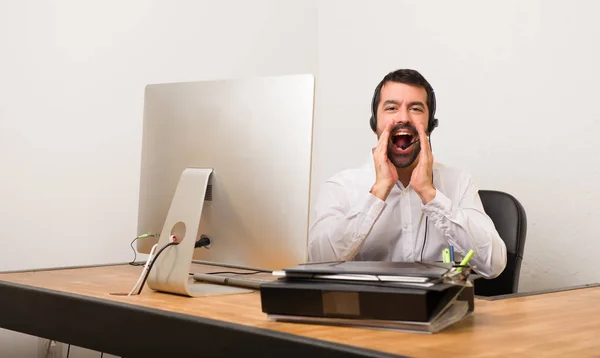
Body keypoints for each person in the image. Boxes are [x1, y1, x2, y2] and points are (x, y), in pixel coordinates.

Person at [308, 69, 507, 278]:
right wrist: (378, 192)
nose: (403, 117)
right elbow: (319, 261)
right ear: (374, 124)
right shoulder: (341, 187)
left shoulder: (459, 182)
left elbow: (494, 264)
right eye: (392, 108)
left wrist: (430, 194)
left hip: (435, 309)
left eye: (415, 108)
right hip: (367, 308)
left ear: (430, 126)